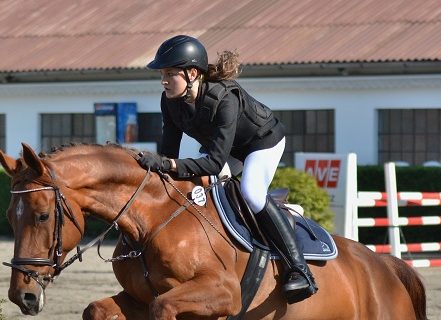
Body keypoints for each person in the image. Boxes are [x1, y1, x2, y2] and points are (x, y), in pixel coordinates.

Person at [136, 35, 317, 303]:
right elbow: (169, 152)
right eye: (162, 74)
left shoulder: (224, 99)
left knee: (252, 193)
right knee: (196, 189)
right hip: (228, 148)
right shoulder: (170, 101)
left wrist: (169, 164)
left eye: (170, 74)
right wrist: (160, 168)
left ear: (192, 74)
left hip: (262, 142)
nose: (163, 80)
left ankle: (300, 270)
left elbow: (212, 163)